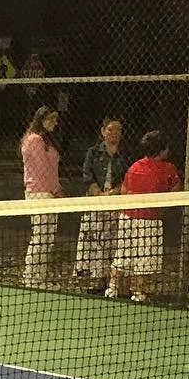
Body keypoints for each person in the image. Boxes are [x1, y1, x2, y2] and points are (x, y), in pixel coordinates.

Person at [106, 128, 182, 302]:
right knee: (146, 257)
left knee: (123, 254)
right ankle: (139, 293)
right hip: (149, 219)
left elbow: (124, 190)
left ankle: (113, 288)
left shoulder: (135, 166)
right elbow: (176, 189)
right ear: (162, 150)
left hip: (126, 217)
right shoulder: (168, 168)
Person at [72, 115, 129, 289]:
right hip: (95, 203)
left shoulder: (124, 155)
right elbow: (87, 177)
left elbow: (126, 179)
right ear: (103, 131)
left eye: (118, 130)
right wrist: (99, 195)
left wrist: (112, 194)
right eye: (111, 129)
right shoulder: (92, 153)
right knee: (94, 240)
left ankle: (111, 281)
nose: (115, 133)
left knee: (113, 240)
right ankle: (97, 279)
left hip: (115, 204)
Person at [20, 104, 62, 286]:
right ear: (41, 119)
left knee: (47, 237)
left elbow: (50, 170)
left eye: (55, 119)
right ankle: (31, 278)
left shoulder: (43, 140)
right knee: (41, 236)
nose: (54, 122)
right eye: (51, 118)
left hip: (47, 193)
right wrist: (56, 190)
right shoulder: (35, 140)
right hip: (40, 194)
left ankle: (39, 277)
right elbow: (42, 169)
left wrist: (56, 189)